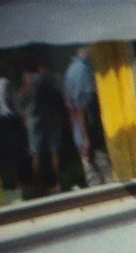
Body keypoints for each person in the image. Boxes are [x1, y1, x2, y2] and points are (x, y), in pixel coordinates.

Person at [63, 47, 111, 188]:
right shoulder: (82, 71)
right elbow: (82, 108)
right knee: (106, 177)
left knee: (94, 177)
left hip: (84, 134)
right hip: (91, 136)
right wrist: (87, 139)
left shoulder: (72, 70)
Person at [18, 57, 65, 195]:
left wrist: (24, 113)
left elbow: (20, 98)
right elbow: (60, 95)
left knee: (35, 152)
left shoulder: (30, 80)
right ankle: (58, 183)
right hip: (53, 117)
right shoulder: (52, 78)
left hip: (35, 118)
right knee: (54, 150)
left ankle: (39, 185)